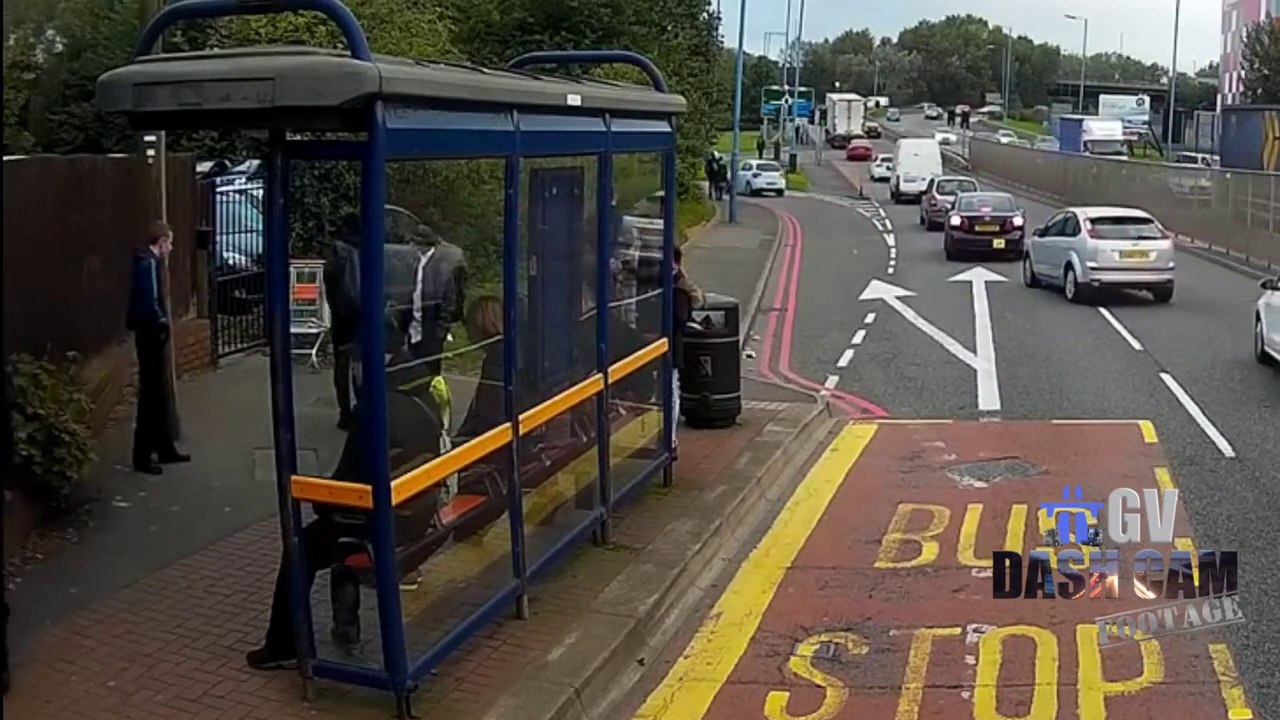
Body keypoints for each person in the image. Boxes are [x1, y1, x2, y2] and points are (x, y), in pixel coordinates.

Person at [246, 321, 446, 670]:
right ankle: (344, 625)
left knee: (302, 547)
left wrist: (319, 501)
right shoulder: (424, 392)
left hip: (385, 522)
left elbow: (348, 480)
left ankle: (283, 644)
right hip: (417, 510)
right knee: (339, 529)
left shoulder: (375, 408)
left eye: (358, 360)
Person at [125, 221, 190, 474]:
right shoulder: (147, 265)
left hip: (150, 333)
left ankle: (164, 448)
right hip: (149, 335)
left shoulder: (148, 262)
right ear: (161, 242)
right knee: (150, 396)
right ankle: (142, 456)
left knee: (158, 392)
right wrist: (161, 322)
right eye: (169, 243)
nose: (171, 248)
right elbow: (148, 302)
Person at [404, 225, 467, 377]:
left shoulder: (442, 266)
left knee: (430, 371)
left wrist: (441, 330)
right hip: (412, 326)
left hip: (431, 328)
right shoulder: (411, 261)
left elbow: (449, 299)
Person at [323, 213, 362, 430]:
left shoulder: (337, 248)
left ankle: (345, 412)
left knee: (342, 364)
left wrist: (335, 307)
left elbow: (329, 278)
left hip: (343, 314)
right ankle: (362, 407)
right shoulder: (370, 245)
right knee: (361, 361)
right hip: (364, 313)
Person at [454, 296, 505, 441]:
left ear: (479, 324)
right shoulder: (503, 352)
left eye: (468, 324)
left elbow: (489, 415)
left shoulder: (497, 362)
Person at [671, 246, 704, 456]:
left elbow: (682, 315)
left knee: (671, 389)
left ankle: (670, 438)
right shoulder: (673, 284)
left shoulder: (679, 287)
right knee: (669, 390)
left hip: (669, 346)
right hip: (660, 345)